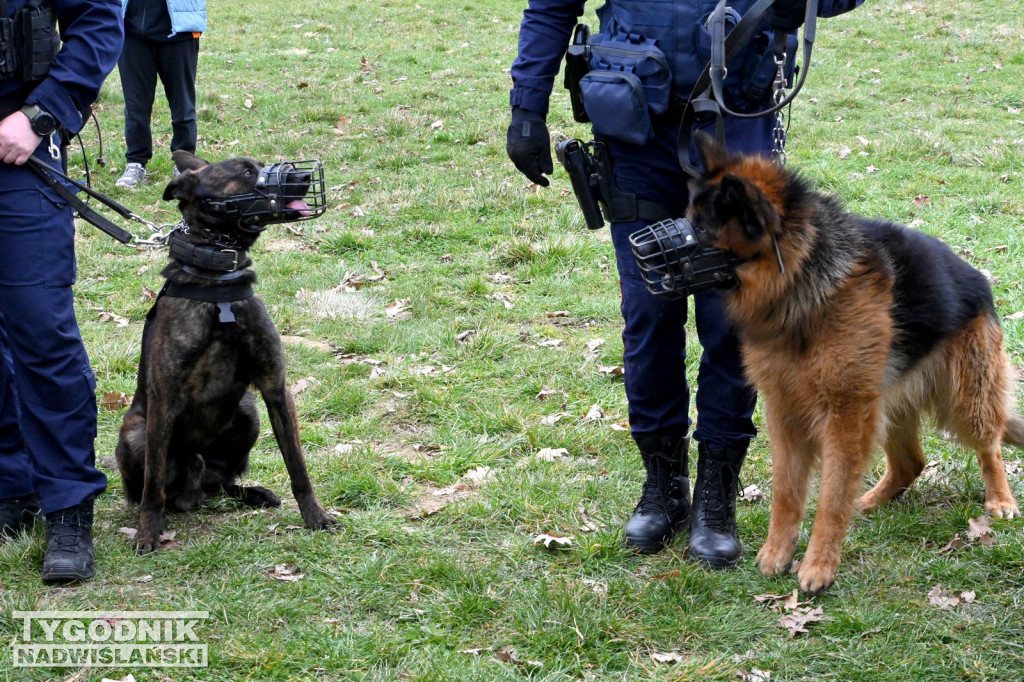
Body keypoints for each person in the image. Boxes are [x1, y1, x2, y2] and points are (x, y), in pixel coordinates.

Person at [507, 0, 863, 568]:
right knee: (648, 312)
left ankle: (716, 496)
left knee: (732, 321)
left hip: (738, 117)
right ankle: (663, 485)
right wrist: (527, 107)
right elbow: (552, 5)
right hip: (632, 124)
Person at [0, 0, 123, 583]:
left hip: (18, 147)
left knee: (40, 329)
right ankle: (11, 486)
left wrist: (40, 114)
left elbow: (98, 21)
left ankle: (68, 506)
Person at [114, 0, 205, 188]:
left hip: (180, 31)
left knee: (183, 106)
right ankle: (135, 163)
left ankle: (185, 165)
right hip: (131, 32)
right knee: (135, 106)